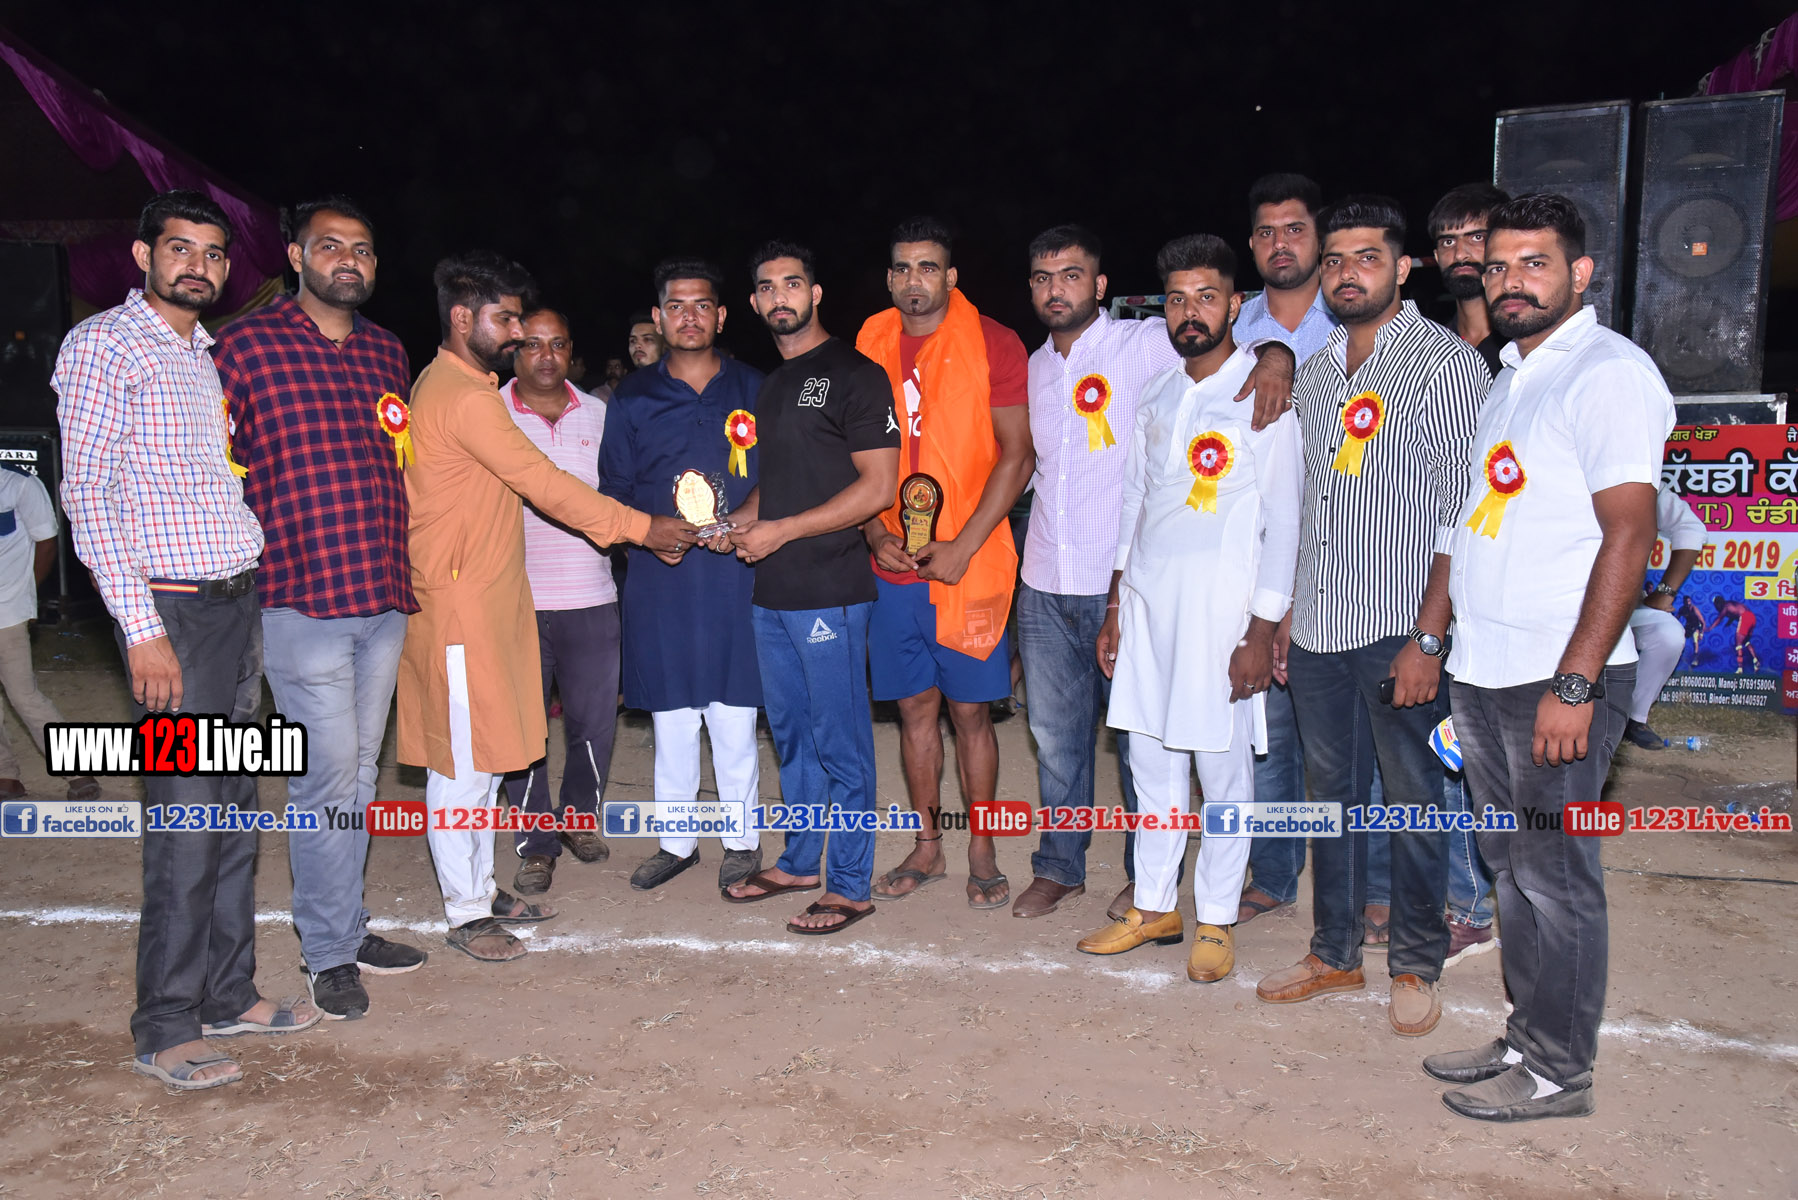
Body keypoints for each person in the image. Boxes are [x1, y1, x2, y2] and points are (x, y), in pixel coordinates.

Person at [55, 190, 321, 1091]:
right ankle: (166, 1024)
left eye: (211, 253)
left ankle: (226, 991)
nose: (197, 266)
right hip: (171, 615)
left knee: (235, 812)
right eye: (179, 249)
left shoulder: (203, 354)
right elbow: (89, 495)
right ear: (143, 256)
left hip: (234, 607)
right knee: (185, 819)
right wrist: (141, 630)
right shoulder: (103, 346)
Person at [1426, 192, 1674, 1121]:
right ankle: (1529, 1036)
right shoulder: (1510, 376)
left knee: (1555, 875)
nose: (1512, 282)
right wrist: (1441, 639)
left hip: (1556, 676)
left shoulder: (1609, 373)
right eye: (1498, 266)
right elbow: (1476, 522)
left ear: (1581, 273)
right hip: (1487, 671)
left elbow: (1630, 536)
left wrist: (1577, 681)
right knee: (1512, 864)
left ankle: (1560, 1072)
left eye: (1535, 264)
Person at [398, 251, 693, 962]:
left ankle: (479, 887)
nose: (514, 334)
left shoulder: (459, 385)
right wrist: (641, 528)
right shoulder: (467, 397)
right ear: (462, 317)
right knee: (462, 767)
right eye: (505, 320)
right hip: (462, 606)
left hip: (488, 601)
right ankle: (467, 911)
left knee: (484, 760)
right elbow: (544, 482)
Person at [1255, 196, 1491, 1038]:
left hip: (1401, 628)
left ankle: (1417, 964)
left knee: (1413, 802)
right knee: (1333, 800)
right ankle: (1335, 951)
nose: (1347, 273)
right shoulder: (1317, 373)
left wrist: (1430, 636)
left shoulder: (1444, 364)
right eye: (1335, 260)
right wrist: (1289, 616)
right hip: (1320, 627)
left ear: (1403, 267)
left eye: (1366, 257)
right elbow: (1308, 505)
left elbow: (1464, 511)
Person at [1011, 224, 1293, 921]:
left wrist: (1277, 354)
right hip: (1067, 578)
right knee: (1079, 744)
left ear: (1101, 285)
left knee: (1201, 760)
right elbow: (1115, 486)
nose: (1057, 290)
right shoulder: (1040, 367)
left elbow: (1225, 345)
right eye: (1043, 278)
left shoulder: (1143, 345)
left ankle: (1177, 898)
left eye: (1072, 275)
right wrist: (1116, 601)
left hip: (1188, 602)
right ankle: (1077, 873)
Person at [211, 195, 427, 1022]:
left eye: (363, 249)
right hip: (298, 599)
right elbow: (215, 469)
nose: (349, 260)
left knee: (358, 773)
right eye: (330, 246)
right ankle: (329, 952)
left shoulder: (386, 351)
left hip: (381, 595)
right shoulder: (244, 347)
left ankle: (345, 924)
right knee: (326, 777)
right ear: (296, 257)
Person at [1079, 234, 1302, 982]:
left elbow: (1285, 521)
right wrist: (1116, 601)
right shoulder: (1157, 393)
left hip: (1222, 617)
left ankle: (1216, 918)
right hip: (1148, 608)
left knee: (1224, 772)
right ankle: (1153, 906)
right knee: (1151, 764)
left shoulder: (1263, 393)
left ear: (1235, 304)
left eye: (1206, 297)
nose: (1190, 313)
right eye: (1176, 300)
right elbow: (1135, 502)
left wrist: (1260, 629)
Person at [720, 241, 900, 933]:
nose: (780, 297)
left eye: (792, 283)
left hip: (831, 589)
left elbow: (877, 488)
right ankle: (799, 861)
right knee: (793, 737)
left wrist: (784, 530)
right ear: (754, 302)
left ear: (815, 293)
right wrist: (740, 520)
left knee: (840, 740)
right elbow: (781, 481)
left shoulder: (857, 375)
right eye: (767, 287)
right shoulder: (772, 385)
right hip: (772, 591)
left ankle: (850, 884)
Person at [856, 218, 1034, 909]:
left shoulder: (994, 341)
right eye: (902, 268)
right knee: (914, 710)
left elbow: (1018, 454)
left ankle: (982, 848)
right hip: (893, 566)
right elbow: (849, 452)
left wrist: (963, 545)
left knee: (970, 713)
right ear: (888, 278)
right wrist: (873, 530)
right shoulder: (869, 342)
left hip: (970, 562)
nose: (914, 280)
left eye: (928, 267)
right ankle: (929, 846)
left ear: (951, 276)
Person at [1231, 173, 1385, 936]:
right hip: (1258, 557)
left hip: (1344, 560)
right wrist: (1266, 347)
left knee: (1358, 745)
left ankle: (1377, 884)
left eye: (1295, 229)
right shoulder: (1235, 324)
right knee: (1270, 735)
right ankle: (1273, 872)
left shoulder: (1352, 319)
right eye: (1265, 231)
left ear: (1319, 241)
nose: (1279, 243)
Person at [602, 259, 765, 894]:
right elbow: (613, 488)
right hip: (661, 577)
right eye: (676, 306)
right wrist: (647, 532)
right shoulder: (633, 397)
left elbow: (782, 473)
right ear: (659, 316)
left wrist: (747, 519)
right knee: (671, 718)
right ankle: (676, 841)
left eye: (701, 305)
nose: (689, 316)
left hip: (736, 575)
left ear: (721, 316)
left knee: (733, 715)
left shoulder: (755, 387)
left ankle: (741, 840)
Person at [498, 308, 620, 895]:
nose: (545, 356)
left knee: (592, 723)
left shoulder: (600, 414)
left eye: (558, 344)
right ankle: (535, 843)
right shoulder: (489, 412)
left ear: (571, 352)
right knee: (521, 730)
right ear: (513, 351)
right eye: (532, 344)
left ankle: (578, 818)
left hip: (591, 597)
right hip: (513, 599)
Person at [0, 466, 101, 802]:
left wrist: (28, 595)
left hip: (7, 610)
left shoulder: (19, 484)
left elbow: (46, 543)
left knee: (23, 695)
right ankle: (6, 775)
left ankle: (78, 770)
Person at [1622, 485, 1706, 749]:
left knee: (1667, 634)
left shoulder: (1636, 486)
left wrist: (1665, 592)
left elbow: (1690, 527)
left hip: (1619, 606)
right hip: (1558, 606)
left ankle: (1634, 718)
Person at [1428, 183, 1511, 375]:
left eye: (1476, 238)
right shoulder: (1430, 348)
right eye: (1448, 241)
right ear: (1437, 256)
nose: (1460, 254)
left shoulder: (1523, 344)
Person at [1706, 597, 1761, 674]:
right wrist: (1729, 622)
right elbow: (1734, 613)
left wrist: (1710, 627)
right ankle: (1755, 661)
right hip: (1752, 617)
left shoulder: (1725, 607)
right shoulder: (1730, 604)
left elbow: (1719, 619)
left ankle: (1740, 668)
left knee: (1738, 644)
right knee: (1746, 641)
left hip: (1745, 617)